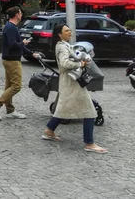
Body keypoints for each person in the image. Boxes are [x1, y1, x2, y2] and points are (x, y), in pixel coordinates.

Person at [41, 24, 107, 153]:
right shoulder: (61, 47)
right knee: (89, 111)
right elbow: (65, 63)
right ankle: (89, 143)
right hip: (72, 81)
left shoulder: (64, 45)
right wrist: (80, 63)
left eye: (69, 30)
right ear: (60, 34)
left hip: (69, 81)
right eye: (66, 30)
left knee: (63, 108)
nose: (69, 32)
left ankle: (48, 131)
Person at [0, 6, 40, 120]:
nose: (21, 15)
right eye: (20, 13)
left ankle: (10, 110)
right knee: (16, 86)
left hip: (8, 59)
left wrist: (31, 53)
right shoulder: (11, 28)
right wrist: (23, 43)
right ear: (17, 14)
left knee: (9, 86)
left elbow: (17, 44)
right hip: (12, 60)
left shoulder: (10, 26)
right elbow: (14, 45)